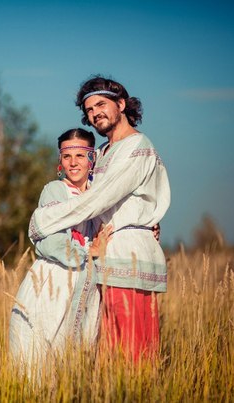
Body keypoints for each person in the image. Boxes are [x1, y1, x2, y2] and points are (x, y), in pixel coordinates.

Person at [28, 76, 171, 363]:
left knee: (130, 351)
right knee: (106, 349)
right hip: (107, 257)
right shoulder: (104, 152)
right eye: (89, 109)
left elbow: (97, 200)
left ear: (121, 104)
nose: (95, 113)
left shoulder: (136, 146)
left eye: (101, 104)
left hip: (128, 253)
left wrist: (42, 221)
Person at [8, 128, 104, 374]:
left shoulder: (100, 192)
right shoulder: (55, 190)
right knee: (43, 352)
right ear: (59, 161)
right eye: (67, 156)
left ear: (92, 158)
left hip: (88, 281)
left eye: (80, 155)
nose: (73, 162)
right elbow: (49, 241)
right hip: (53, 279)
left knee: (80, 358)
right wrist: (87, 252)